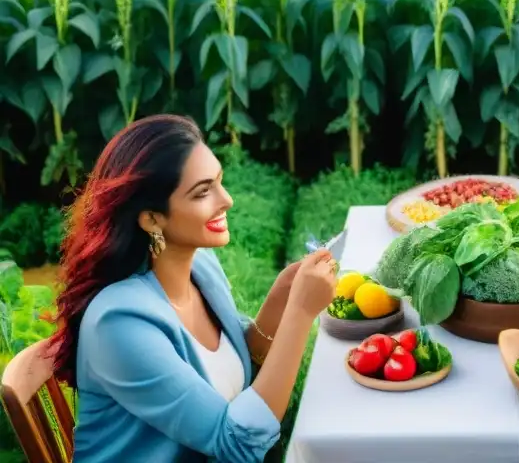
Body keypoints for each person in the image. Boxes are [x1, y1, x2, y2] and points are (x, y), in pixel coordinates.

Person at [49, 114, 337, 462]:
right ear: (152, 218)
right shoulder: (118, 322)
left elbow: (234, 368)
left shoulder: (201, 267)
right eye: (203, 191)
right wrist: (301, 314)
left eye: (219, 181)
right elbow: (238, 444)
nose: (227, 199)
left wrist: (279, 301)